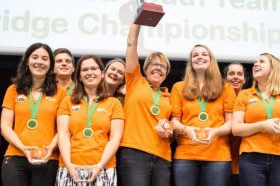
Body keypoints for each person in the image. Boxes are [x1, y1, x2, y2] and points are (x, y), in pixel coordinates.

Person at [170, 44, 236, 186]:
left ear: (211, 59)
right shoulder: (178, 87)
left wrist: (215, 131)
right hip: (185, 154)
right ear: (191, 62)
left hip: (218, 156)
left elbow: (231, 123)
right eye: (195, 55)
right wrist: (186, 129)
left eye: (204, 54)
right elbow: (174, 122)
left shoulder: (226, 88)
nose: (200, 57)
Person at [1, 42, 66, 186]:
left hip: (48, 158)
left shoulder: (61, 92)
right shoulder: (13, 89)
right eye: (35, 57)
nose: (39, 62)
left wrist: (51, 148)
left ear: (50, 64)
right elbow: (5, 126)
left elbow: (63, 128)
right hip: (15, 156)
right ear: (27, 61)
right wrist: (23, 148)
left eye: (44, 58)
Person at [117, 23, 173, 186]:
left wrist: (168, 128)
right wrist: (138, 21)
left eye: (163, 66)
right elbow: (131, 43)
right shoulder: (135, 81)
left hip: (162, 156)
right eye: (154, 64)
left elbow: (174, 128)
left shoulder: (168, 96)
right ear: (145, 68)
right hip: (135, 153)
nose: (158, 68)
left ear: (166, 73)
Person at [56, 55, 124, 185]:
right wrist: (69, 165)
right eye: (85, 70)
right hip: (70, 168)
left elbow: (115, 138)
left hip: (104, 168)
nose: (90, 73)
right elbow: (63, 134)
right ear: (79, 76)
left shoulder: (114, 103)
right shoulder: (68, 101)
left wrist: (99, 166)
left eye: (94, 68)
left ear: (102, 73)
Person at [232, 53, 280, 186]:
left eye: (261, 62)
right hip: (252, 158)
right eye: (255, 62)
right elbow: (236, 129)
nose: (256, 64)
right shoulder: (244, 95)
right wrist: (263, 125)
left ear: (273, 68)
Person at [224, 62, 247, 186]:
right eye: (231, 74)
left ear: (244, 79)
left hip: (247, 165)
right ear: (225, 79)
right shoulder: (218, 100)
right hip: (221, 163)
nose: (236, 77)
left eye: (239, 74)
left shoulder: (251, 101)